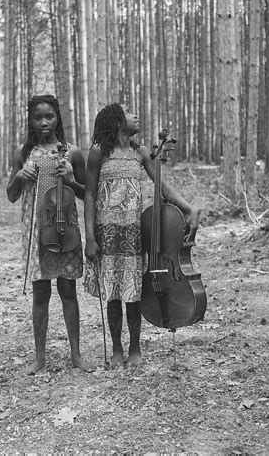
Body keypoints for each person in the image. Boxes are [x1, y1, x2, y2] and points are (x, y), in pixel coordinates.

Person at [84, 103, 200, 368]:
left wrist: (188, 208)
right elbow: (89, 195)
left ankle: (135, 346)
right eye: (127, 112)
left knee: (133, 292)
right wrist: (89, 238)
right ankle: (116, 348)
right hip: (107, 234)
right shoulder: (99, 153)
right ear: (115, 121)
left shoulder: (141, 152)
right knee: (113, 293)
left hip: (134, 234)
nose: (135, 115)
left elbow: (163, 187)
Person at [7, 94, 94, 375]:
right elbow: (11, 196)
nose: (44, 122)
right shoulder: (23, 153)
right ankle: (40, 357)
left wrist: (70, 179)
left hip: (64, 227)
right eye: (38, 118)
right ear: (30, 120)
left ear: (58, 117)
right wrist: (19, 177)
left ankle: (76, 355)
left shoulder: (73, 152)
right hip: (36, 229)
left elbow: (86, 193)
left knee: (68, 290)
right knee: (40, 293)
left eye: (49, 116)